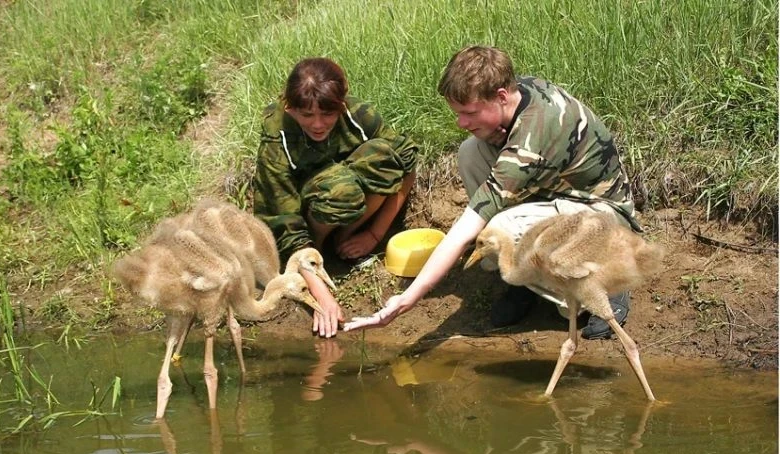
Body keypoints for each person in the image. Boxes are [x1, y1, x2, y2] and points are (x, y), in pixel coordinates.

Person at [344, 45, 639, 340]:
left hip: (604, 221)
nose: (461, 122)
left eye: (469, 112)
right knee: (471, 152)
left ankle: (605, 285)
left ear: (500, 96)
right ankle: (522, 281)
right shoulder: (517, 92)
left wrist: (408, 298)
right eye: (457, 113)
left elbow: (466, 229)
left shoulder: (529, 143)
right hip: (561, 192)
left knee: (500, 230)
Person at [253, 58, 419, 338]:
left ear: (341, 107)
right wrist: (320, 293)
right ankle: (321, 256)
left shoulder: (358, 115)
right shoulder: (277, 134)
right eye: (307, 116)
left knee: (381, 156)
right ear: (290, 109)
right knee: (339, 188)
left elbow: (407, 163)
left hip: (347, 201)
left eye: (327, 115)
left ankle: (345, 240)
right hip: (311, 215)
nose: (318, 124)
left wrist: (375, 235)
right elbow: (283, 218)